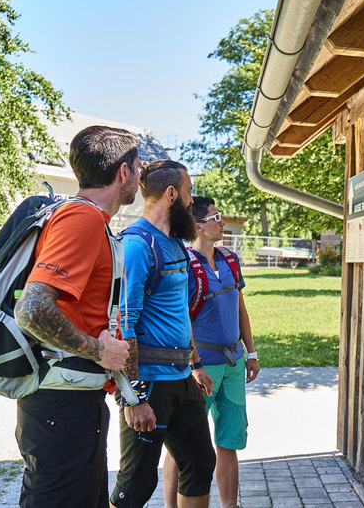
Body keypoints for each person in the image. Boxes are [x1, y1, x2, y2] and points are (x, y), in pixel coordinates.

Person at [13, 125, 137, 508]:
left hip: (72, 405)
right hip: (61, 408)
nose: (140, 174)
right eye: (138, 165)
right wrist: (97, 351)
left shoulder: (89, 220)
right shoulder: (81, 220)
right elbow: (31, 309)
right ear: (122, 173)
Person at [109, 160, 216, 508]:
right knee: (137, 483)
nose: (190, 201)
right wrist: (133, 397)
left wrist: (196, 363)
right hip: (150, 385)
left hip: (184, 378)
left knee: (200, 464)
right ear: (171, 195)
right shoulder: (138, 245)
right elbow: (124, 324)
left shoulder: (175, 245)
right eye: (186, 194)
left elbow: (180, 314)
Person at [162, 196, 260, 508]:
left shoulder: (230, 260)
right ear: (198, 226)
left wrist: (251, 352)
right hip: (202, 368)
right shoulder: (185, 267)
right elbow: (181, 319)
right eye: (216, 217)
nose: (223, 222)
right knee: (183, 446)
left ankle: (230, 505)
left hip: (233, 363)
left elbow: (240, 307)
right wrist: (195, 365)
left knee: (228, 440)